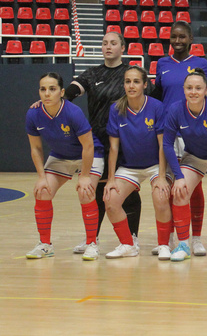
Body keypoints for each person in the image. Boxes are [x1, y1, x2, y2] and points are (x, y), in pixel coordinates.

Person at [56, 32, 142, 254]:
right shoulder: (92, 73)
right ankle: (91, 239)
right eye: (104, 43)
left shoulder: (129, 75)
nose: (108, 47)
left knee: (128, 191)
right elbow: (74, 91)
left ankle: (132, 238)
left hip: (125, 140)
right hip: (98, 142)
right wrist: (56, 102)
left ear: (122, 48)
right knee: (98, 191)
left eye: (113, 43)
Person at [152, 21, 207, 257]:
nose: (177, 41)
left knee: (194, 187)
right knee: (171, 186)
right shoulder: (162, 64)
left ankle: (196, 238)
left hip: (194, 130)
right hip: (170, 130)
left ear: (190, 39)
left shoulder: (200, 64)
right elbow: (158, 95)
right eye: (173, 37)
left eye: (182, 37)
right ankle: (170, 238)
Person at [25, 73, 103, 260]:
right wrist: (41, 177)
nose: (47, 93)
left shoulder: (72, 112)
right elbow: (36, 148)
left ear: (61, 92)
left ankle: (92, 243)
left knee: (86, 191)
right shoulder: (33, 114)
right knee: (42, 191)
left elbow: (88, 145)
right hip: (60, 156)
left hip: (89, 154)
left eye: (52, 89)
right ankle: (45, 244)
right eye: (43, 89)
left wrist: (84, 176)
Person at [163, 70, 207, 262]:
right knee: (179, 192)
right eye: (189, 88)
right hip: (194, 156)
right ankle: (184, 245)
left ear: (205, 90)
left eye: (198, 88)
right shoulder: (175, 109)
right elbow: (167, 144)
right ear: (183, 90)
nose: (193, 92)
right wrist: (178, 177)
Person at [103, 67, 172, 260]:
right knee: (110, 201)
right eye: (127, 81)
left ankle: (164, 245)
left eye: (135, 81)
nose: (131, 85)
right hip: (129, 167)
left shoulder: (157, 107)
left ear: (144, 84)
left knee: (160, 196)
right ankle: (128, 244)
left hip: (154, 165)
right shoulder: (116, 108)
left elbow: (162, 145)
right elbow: (113, 148)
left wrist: (161, 176)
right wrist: (110, 179)